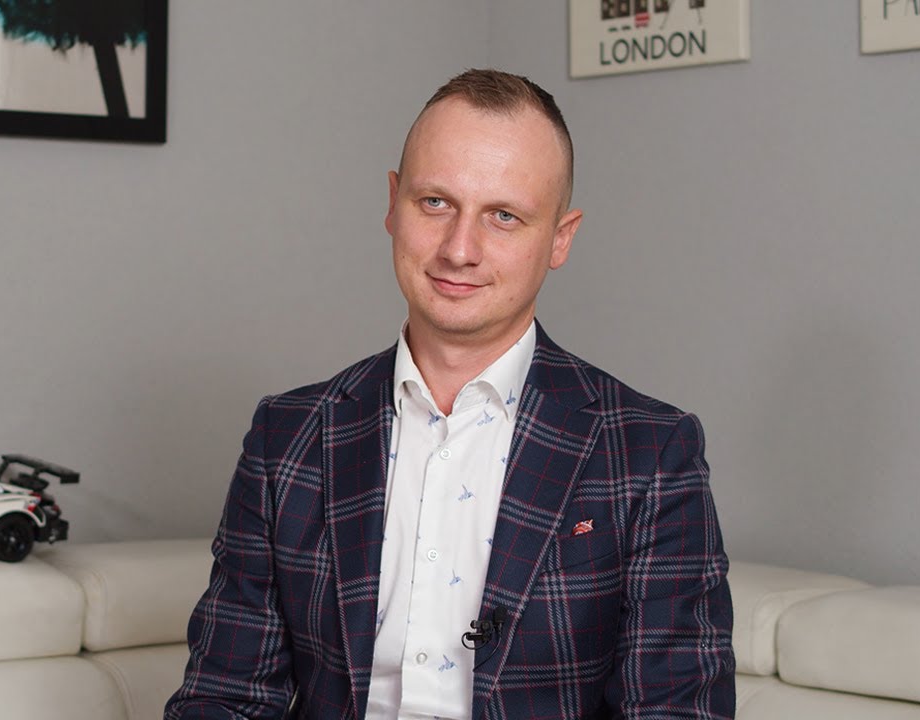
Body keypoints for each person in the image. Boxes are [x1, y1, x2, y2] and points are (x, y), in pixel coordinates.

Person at [166, 69, 734, 720]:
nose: (460, 249)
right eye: (435, 202)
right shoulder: (287, 438)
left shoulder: (650, 453)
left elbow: (677, 711)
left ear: (560, 238)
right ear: (393, 203)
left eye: (504, 216)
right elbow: (226, 698)